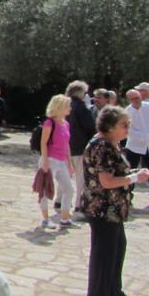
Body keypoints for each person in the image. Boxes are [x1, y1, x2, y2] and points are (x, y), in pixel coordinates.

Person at [82, 105, 149, 296]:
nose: (128, 129)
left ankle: (112, 290)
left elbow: (116, 172)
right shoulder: (102, 146)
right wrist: (134, 178)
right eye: (124, 125)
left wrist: (133, 173)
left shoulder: (111, 144)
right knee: (104, 254)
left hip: (114, 208)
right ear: (110, 126)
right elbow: (106, 181)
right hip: (103, 208)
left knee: (117, 249)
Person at [39, 94, 76, 228]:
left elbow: (67, 145)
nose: (70, 108)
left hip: (62, 161)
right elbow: (43, 143)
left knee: (69, 189)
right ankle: (45, 219)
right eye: (68, 106)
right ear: (60, 107)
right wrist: (45, 161)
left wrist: (69, 163)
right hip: (50, 159)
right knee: (45, 190)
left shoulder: (66, 123)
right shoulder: (49, 123)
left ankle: (64, 219)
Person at [125, 88, 149, 205]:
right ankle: (127, 197)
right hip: (134, 146)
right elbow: (128, 131)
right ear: (129, 100)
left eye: (137, 98)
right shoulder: (127, 112)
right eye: (133, 99)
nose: (136, 101)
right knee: (130, 173)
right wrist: (147, 136)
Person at [66, 81, 96, 218]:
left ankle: (60, 202)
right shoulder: (81, 107)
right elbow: (90, 127)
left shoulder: (64, 104)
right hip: (79, 147)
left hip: (65, 146)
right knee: (81, 178)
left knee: (65, 176)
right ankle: (78, 206)